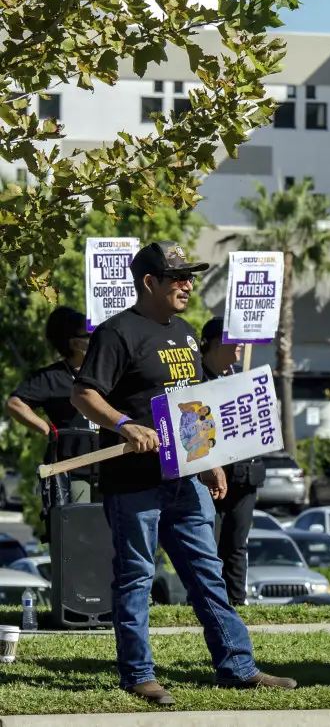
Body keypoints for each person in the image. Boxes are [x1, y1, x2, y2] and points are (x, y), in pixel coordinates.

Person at [71, 241, 295, 706]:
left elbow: (194, 408)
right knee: (135, 576)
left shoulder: (189, 333)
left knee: (207, 573)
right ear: (149, 282)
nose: (187, 284)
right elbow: (84, 395)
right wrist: (124, 424)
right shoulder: (118, 333)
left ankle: (237, 667)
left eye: (189, 277)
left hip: (185, 479)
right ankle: (139, 675)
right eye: (177, 277)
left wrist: (210, 462)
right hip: (133, 483)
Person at [199, 317, 267, 607]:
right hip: (208, 477)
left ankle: (236, 602)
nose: (240, 348)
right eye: (235, 342)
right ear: (215, 344)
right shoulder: (195, 378)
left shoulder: (243, 377)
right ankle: (206, 601)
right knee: (206, 544)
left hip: (243, 475)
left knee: (237, 544)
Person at [6, 307, 99, 507]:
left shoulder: (107, 370)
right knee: (82, 532)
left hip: (113, 469)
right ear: (74, 343)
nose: (98, 338)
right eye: (90, 335)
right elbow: (15, 404)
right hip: (74, 472)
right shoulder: (51, 377)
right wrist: (48, 430)